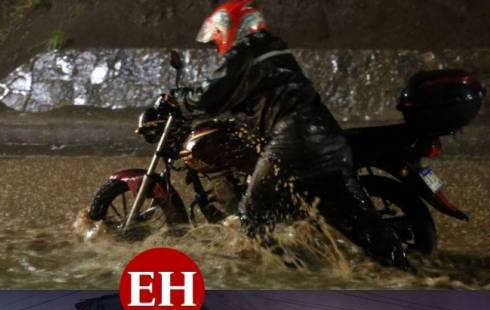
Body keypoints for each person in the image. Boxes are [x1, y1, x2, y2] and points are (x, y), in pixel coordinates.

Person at [173, 0, 409, 269]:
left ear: (230, 27)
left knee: (252, 217)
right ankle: (405, 271)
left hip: (292, 143)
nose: (217, 45)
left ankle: (290, 276)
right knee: (360, 222)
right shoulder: (274, 49)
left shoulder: (245, 52)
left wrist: (177, 100)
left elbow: (209, 95)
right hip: (329, 142)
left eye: (217, 38)